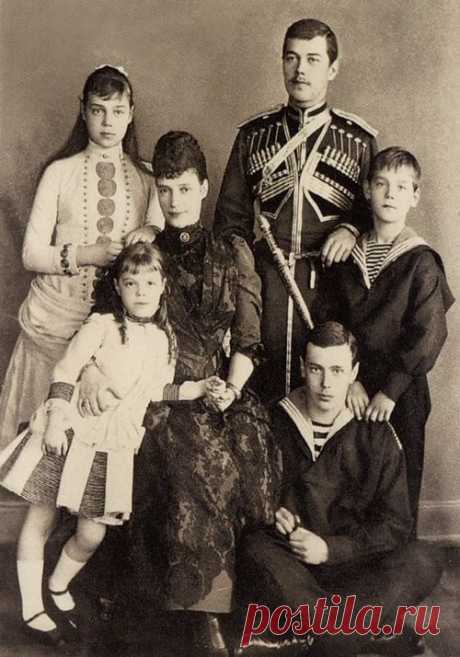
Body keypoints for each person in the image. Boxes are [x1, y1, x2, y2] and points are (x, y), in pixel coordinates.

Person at [81, 131, 282, 656]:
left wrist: (231, 389)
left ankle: (251, 601)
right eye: (165, 189)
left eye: (185, 189)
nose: (174, 201)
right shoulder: (142, 257)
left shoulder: (230, 252)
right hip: (157, 396)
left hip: (220, 386)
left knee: (251, 453)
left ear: (205, 188)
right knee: (203, 464)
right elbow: (101, 325)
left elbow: (248, 339)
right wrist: (96, 377)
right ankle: (203, 615)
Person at [0, 242, 207, 646]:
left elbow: (156, 390)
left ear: (163, 285)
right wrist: (57, 419)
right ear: (118, 285)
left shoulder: (164, 339)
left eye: (150, 282)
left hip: (112, 447)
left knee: (91, 534)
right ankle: (31, 607)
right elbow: (65, 369)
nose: (142, 291)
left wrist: (196, 388)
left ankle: (58, 585)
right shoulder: (102, 326)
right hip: (70, 433)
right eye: (132, 283)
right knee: (40, 520)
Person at [236, 322, 443, 657]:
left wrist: (332, 550)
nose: (326, 383)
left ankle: (318, 635)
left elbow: (394, 525)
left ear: (354, 372)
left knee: (424, 559)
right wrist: (271, 512)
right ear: (303, 368)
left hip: (355, 568)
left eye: (337, 370)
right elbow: (249, 496)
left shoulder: (376, 434)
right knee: (253, 548)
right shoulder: (272, 421)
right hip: (294, 568)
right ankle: (357, 630)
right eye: (316, 369)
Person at [214, 18, 378, 400]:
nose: (300, 69)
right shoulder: (254, 136)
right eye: (291, 58)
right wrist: (247, 280)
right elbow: (230, 221)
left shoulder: (357, 140)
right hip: (265, 286)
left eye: (313, 59)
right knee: (263, 393)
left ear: (332, 69)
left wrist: (351, 229)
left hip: (332, 289)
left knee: (325, 396)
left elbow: (377, 218)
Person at [0, 65, 162, 449]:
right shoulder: (60, 172)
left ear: (131, 113)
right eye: (98, 110)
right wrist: (89, 254)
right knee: (36, 449)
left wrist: (150, 232)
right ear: (83, 111)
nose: (108, 122)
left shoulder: (149, 179)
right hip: (54, 321)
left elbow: (155, 254)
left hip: (115, 334)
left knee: (95, 458)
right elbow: (31, 254)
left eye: (118, 111)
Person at [315, 147, 454, 524]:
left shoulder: (420, 260)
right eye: (382, 184)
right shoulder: (348, 256)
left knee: (399, 480)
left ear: (415, 196)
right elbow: (331, 321)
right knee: (354, 478)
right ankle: (356, 568)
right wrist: (351, 382)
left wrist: (390, 391)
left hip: (402, 390)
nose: (391, 194)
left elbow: (427, 333)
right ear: (366, 190)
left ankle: (399, 569)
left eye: (402, 186)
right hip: (354, 386)